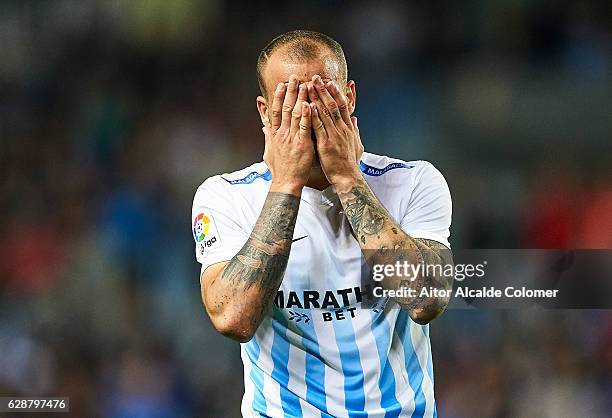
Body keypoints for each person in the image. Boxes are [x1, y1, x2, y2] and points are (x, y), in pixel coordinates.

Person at [192, 30, 453, 418]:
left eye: (320, 96)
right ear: (265, 112)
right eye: (291, 99)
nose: (307, 112)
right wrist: (286, 183)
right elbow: (233, 318)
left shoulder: (414, 180)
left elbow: (427, 298)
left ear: (349, 98)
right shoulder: (224, 196)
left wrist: (348, 178)